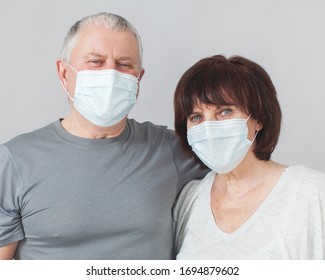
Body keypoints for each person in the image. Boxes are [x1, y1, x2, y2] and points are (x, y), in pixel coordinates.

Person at [0, 12, 207, 260]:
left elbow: (245, 180)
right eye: (96, 62)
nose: (111, 74)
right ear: (64, 73)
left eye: (124, 64)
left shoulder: (170, 149)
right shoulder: (15, 161)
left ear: (138, 79)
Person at [173, 55, 325, 259]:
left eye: (224, 111)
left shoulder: (312, 193)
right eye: (197, 117)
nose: (209, 128)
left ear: (259, 119)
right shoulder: (189, 200)